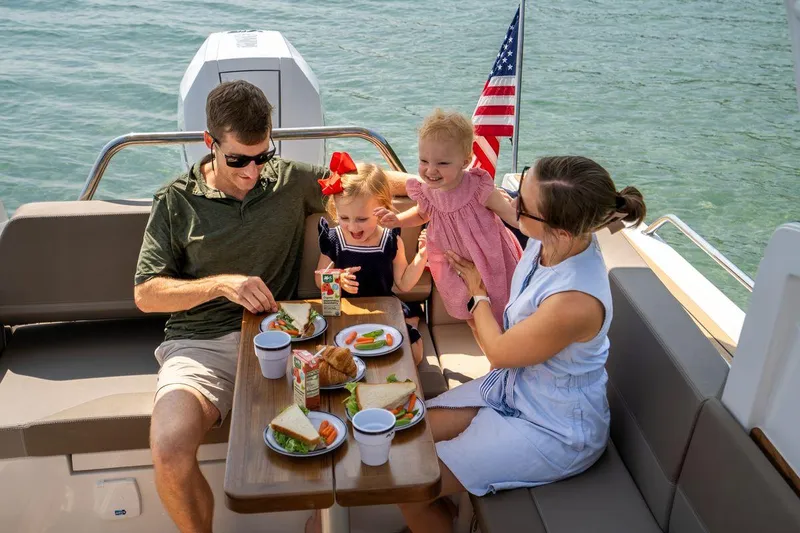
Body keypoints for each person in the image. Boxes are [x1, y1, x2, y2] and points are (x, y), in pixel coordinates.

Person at [133, 80, 412, 533]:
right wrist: (222, 284)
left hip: (288, 338)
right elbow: (146, 293)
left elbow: (363, 180)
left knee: (355, 413)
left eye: (261, 156)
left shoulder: (287, 179)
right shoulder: (175, 201)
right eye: (238, 159)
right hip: (202, 346)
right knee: (168, 448)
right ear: (210, 143)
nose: (250, 171)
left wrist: (438, 184)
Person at [397, 156, 647, 533]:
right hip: (518, 390)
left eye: (521, 204)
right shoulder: (556, 238)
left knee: (410, 484)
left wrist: (478, 293)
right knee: (408, 436)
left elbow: (498, 354)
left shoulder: (573, 301)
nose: (511, 203)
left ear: (560, 231)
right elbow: (469, 190)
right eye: (519, 189)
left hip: (553, 427)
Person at [375, 109, 523, 346]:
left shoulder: (478, 187)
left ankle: (505, 357)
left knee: (499, 313)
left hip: (489, 261)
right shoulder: (427, 191)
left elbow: (510, 215)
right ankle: (490, 355)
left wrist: (537, 223)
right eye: (424, 161)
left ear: (465, 161)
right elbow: (422, 214)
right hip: (454, 266)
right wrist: (399, 220)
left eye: (442, 163)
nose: (430, 170)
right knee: (472, 317)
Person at [315, 151, 428, 364]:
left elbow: (403, 284)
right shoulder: (334, 238)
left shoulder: (391, 240)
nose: (352, 226)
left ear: (383, 209)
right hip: (346, 310)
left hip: (384, 308)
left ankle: (410, 324)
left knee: (416, 355)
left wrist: (422, 255)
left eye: (362, 219)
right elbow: (319, 278)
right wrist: (335, 279)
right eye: (344, 218)